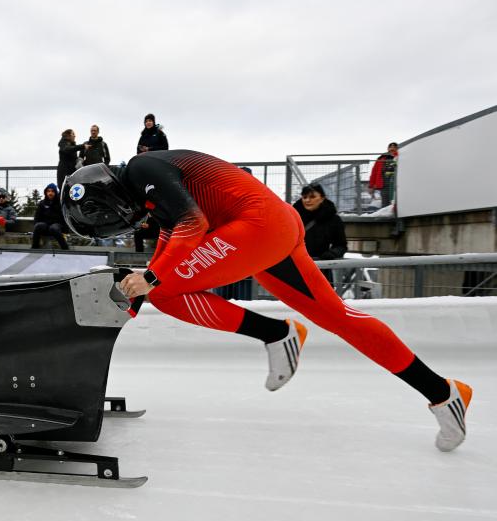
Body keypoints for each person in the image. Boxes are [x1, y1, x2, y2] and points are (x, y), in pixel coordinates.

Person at [60, 151, 472, 452]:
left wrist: (149, 279)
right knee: (340, 318)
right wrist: (146, 280)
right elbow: (175, 236)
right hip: (272, 227)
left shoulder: (142, 168)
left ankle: (276, 333)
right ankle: (443, 393)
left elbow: (192, 225)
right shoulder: (151, 184)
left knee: (165, 292)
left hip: (257, 227)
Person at [293, 183, 347, 283]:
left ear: (322, 198)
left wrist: (331, 254)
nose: (307, 200)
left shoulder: (333, 220)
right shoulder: (293, 217)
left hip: (321, 267)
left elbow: (341, 245)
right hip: (296, 267)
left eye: (312, 197)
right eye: (304, 197)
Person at [31, 183, 69, 250]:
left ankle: (65, 248)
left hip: (57, 226)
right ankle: (35, 247)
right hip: (45, 226)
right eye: (48, 191)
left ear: (55, 192)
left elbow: (65, 217)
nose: (50, 193)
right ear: (46, 192)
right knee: (38, 226)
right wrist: (36, 225)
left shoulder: (60, 203)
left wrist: (65, 230)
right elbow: (37, 217)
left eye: (52, 191)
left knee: (54, 228)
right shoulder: (42, 203)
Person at [368, 142, 399, 208]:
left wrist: (396, 154)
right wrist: (371, 186)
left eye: (394, 147)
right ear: (388, 148)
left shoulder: (400, 157)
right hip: (384, 183)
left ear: (397, 149)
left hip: (396, 183)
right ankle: (387, 216)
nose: (392, 148)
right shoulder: (381, 158)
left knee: (395, 202)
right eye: (390, 147)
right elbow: (374, 172)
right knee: (385, 203)